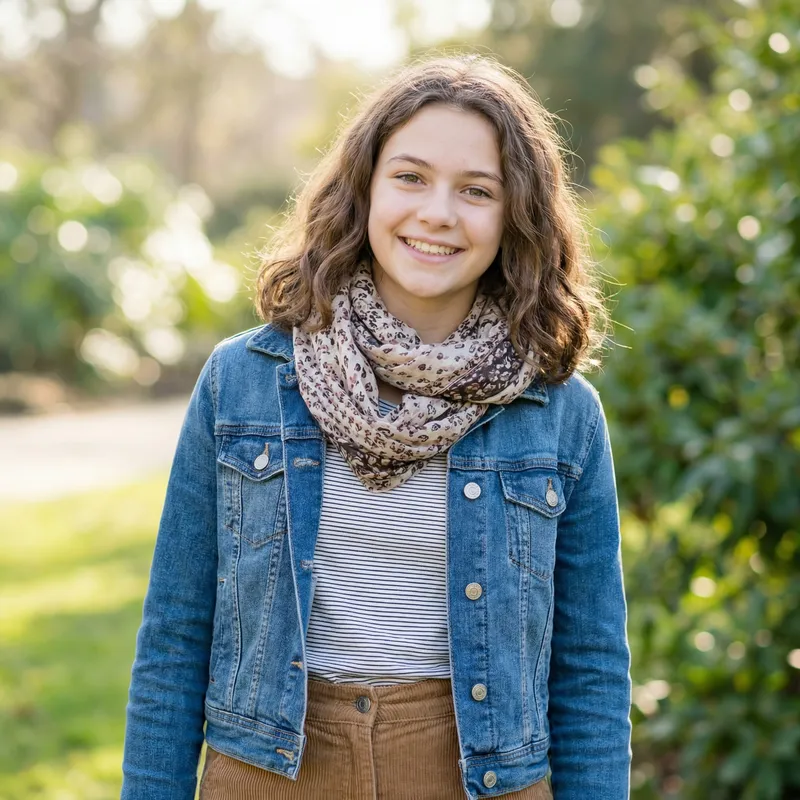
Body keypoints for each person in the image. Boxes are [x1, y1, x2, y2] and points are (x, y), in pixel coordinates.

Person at [121, 54, 632, 800]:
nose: (438, 213)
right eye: (411, 177)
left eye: (477, 191)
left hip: (479, 778)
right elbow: (174, 636)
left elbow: (589, 667)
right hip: (270, 774)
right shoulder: (244, 382)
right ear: (363, 188)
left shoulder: (559, 414)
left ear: (515, 215)